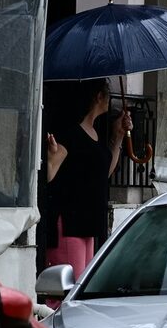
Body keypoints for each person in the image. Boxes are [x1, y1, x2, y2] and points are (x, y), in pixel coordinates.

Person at [43, 78, 132, 278]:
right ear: (98, 96)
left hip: (88, 223)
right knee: (67, 289)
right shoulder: (70, 134)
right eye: (108, 94)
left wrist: (118, 136)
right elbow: (48, 174)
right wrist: (50, 157)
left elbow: (104, 174)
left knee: (80, 285)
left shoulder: (96, 133)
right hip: (69, 223)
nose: (110, 100)